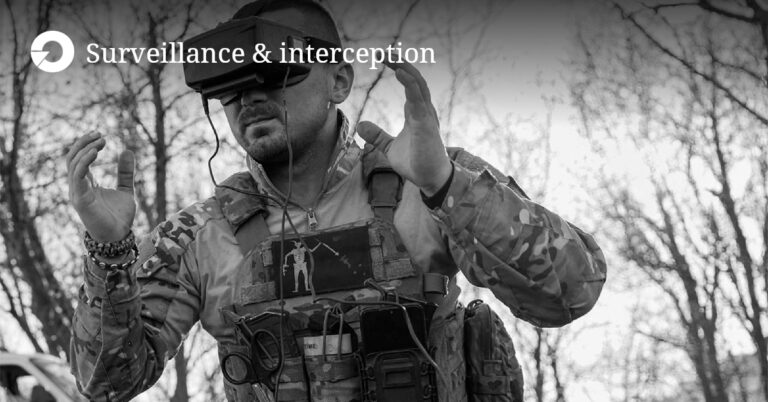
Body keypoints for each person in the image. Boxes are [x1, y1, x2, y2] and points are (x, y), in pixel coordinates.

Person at [66, 1, 607, 401]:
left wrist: (448, 187)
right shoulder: (198, 237)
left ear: (339, 81)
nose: (251, 97)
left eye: (276, 72)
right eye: (232, 86)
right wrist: (109, 255)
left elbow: (570, 293)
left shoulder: (425, 185)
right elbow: (104, 383)